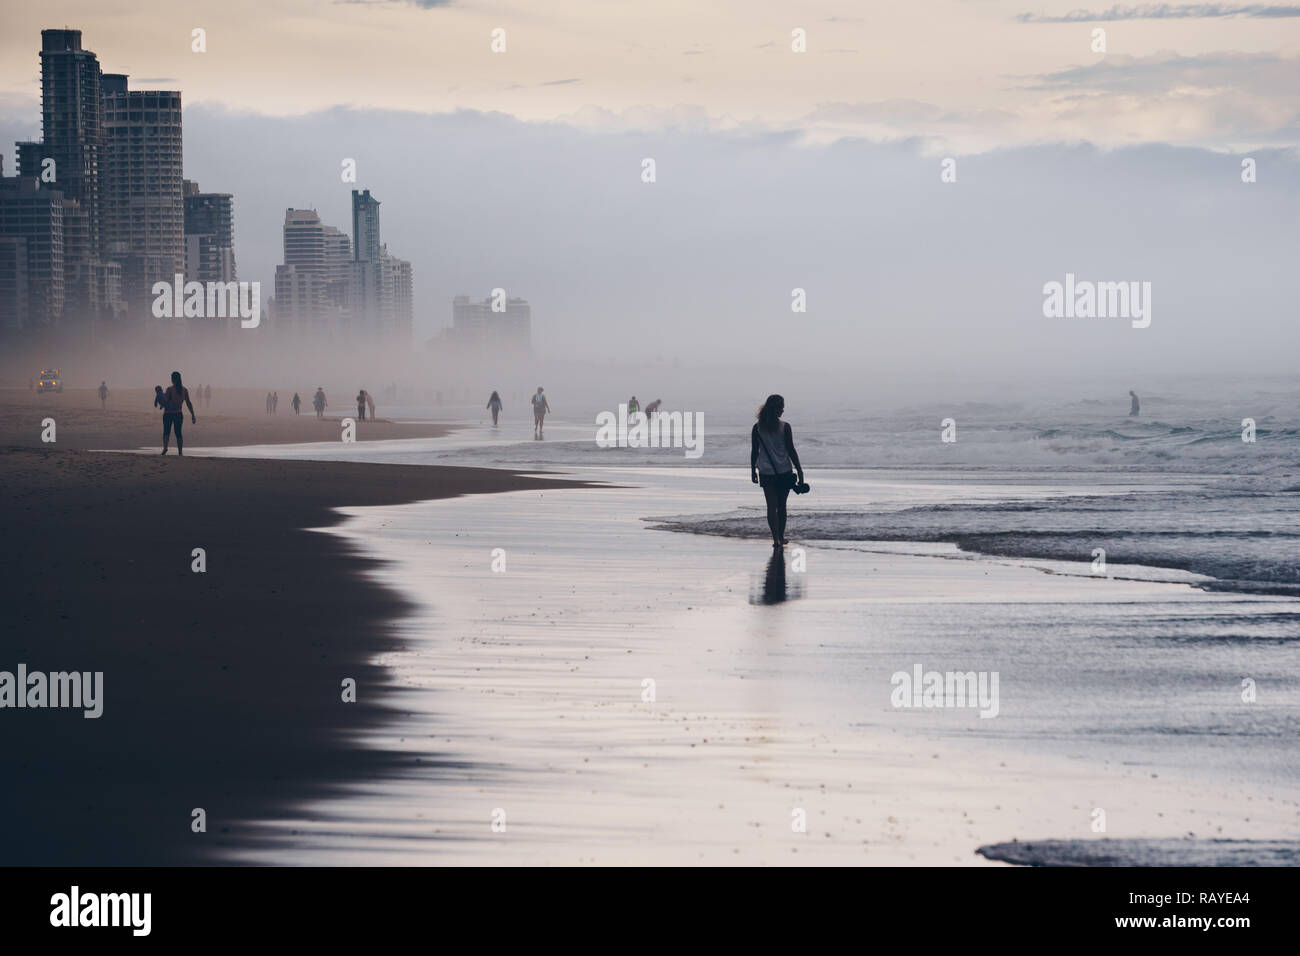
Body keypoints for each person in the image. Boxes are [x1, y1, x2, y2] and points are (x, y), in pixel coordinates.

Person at [750, 393, 804, 548]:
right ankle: (781, 536)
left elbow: (755, 451)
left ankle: (776, 539)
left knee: (771, 507)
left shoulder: (757, 428)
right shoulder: (785, 427)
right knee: (782, 506)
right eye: (782, 408)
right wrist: (799, 470)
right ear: (777, 409)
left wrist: (752, 470)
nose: (783, 411)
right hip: (784, 471)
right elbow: (791, 450)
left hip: (766, 472)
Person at [161, 371, 196, 455]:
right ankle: (180, 451)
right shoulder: (184, 390)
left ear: (172, 379)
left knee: (166, 431)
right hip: (178, 413)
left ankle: (165, 448)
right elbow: (188, 403)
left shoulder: (169, 389)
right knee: (178, 432)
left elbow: (165, 402)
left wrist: (160, 399)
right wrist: (193, 415)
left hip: (168, 413)